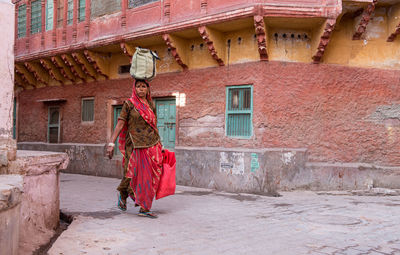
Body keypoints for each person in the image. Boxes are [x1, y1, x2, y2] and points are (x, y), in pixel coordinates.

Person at [107, 79, 162, 219]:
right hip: (134, 145)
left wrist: (160, 144)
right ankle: (123, 194)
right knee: (132, 174)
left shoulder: (151, 105)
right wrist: (111, 143)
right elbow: (120, 124)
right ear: (134, 88)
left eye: (144, 86)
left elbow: (154, 126)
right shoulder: (129, 104)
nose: (141, 89)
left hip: (151, 143)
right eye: (138, 86)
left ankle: (144, 208)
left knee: (149, 175)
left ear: (148, 89)